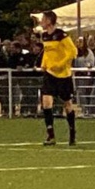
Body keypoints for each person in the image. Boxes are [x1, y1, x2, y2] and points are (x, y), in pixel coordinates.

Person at [39, 10, 78, 146]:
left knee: (67, 103)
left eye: (43, 19)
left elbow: (73, 51)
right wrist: (44, 64)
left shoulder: (61, 35)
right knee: (46, 102)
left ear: (49, 20)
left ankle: (72, 132)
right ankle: (51, 135)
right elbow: (47, 52)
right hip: (49, 74)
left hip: (63, 74)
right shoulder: (44, 36)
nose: (41, 22)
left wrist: (61, 64)